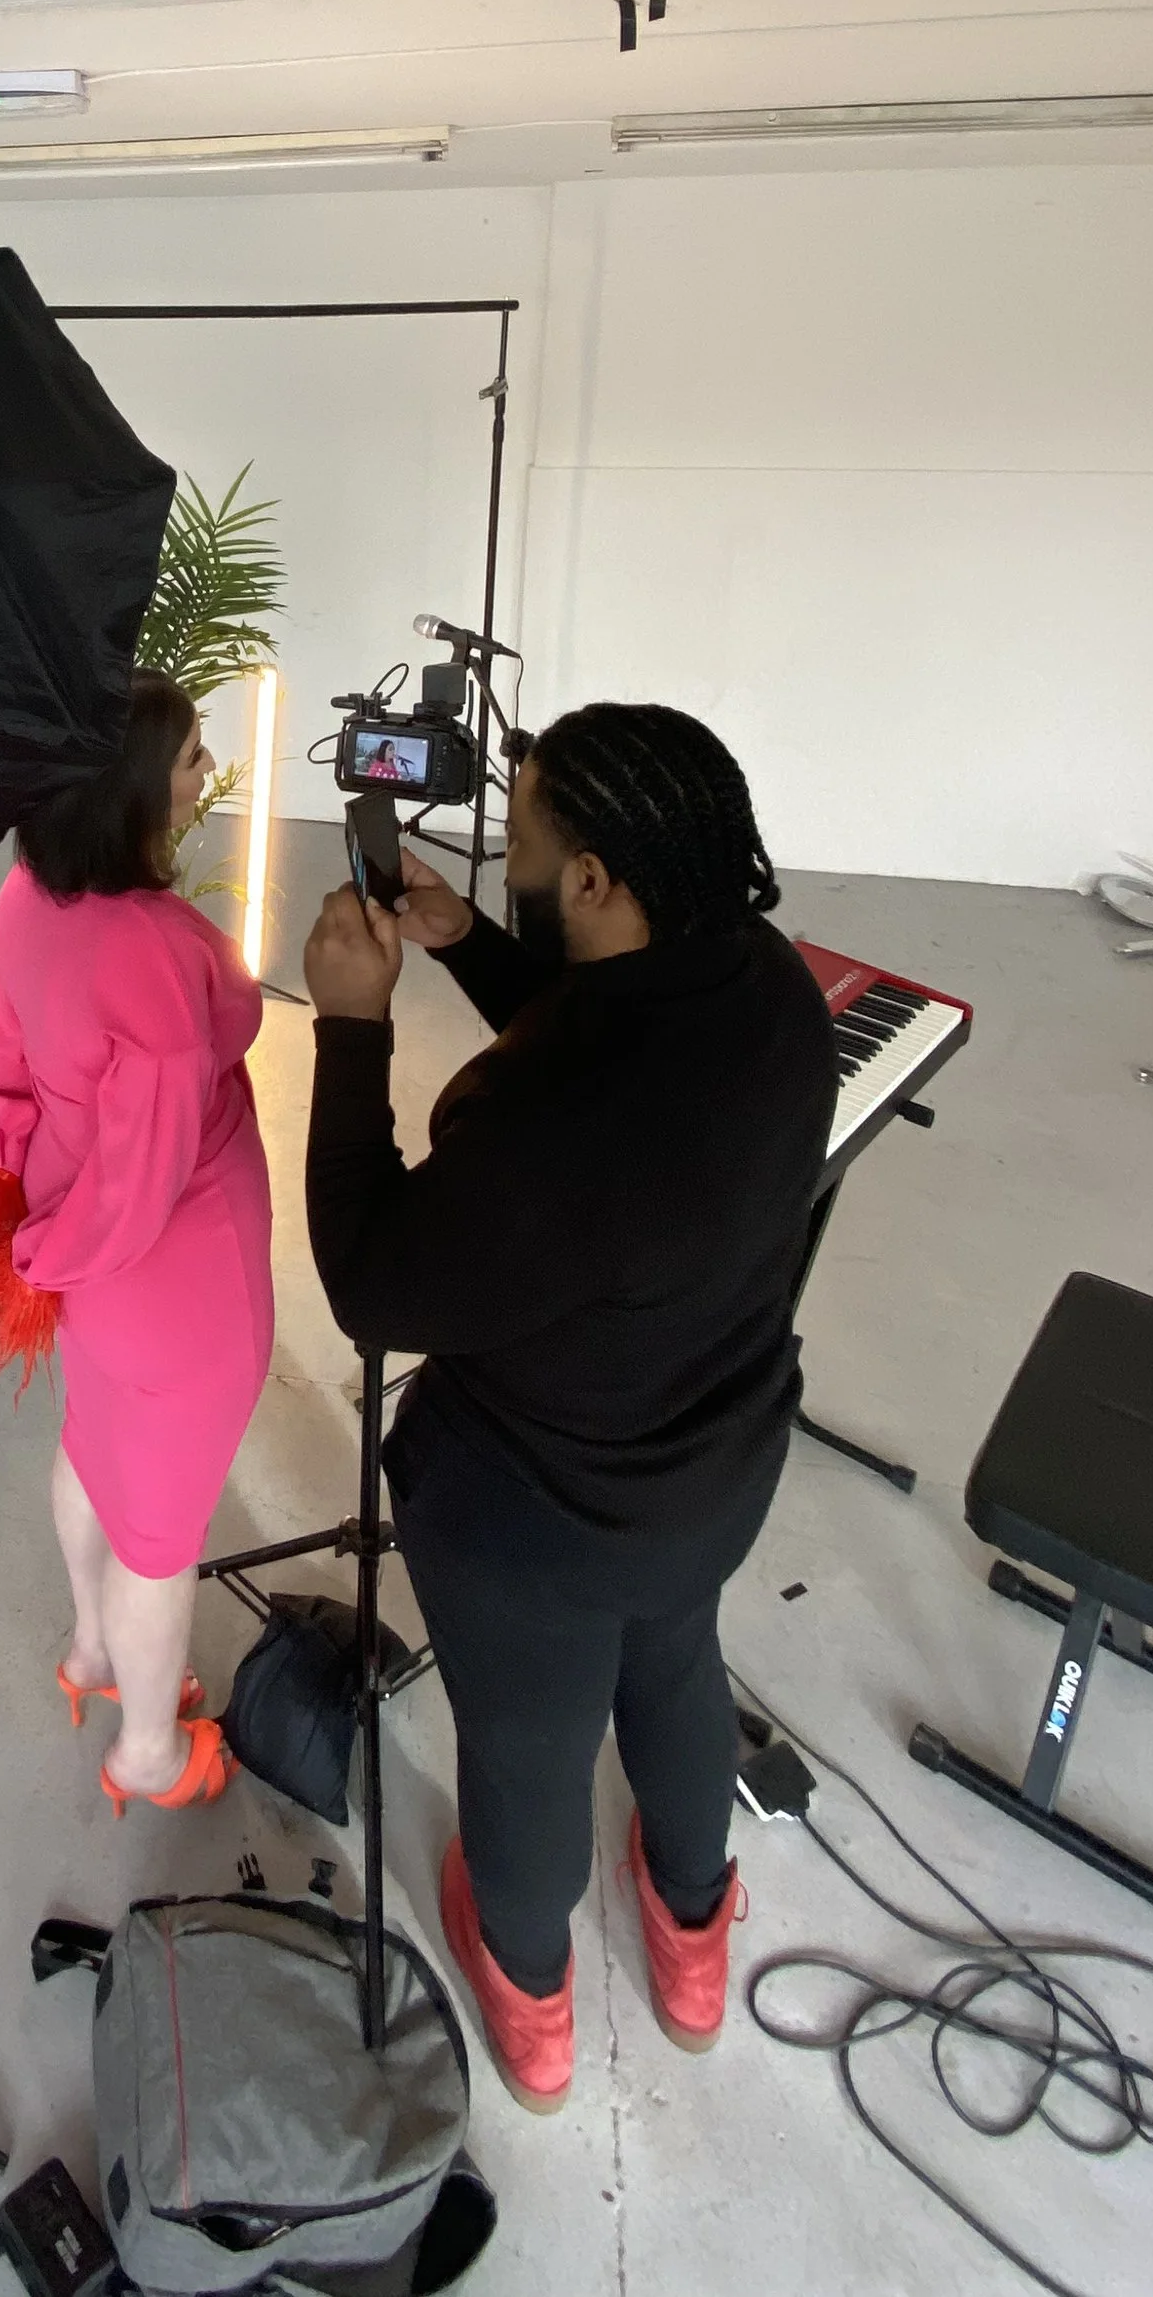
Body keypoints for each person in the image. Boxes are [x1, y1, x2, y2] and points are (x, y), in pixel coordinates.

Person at [300, 703, 836, 2112]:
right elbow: (604, 1024)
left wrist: (353, 1030)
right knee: (674, 1670)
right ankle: (693, 1947)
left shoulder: (550, 1134)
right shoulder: (771, 988)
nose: (508, 854)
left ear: (594, 882)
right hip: (711, 1471)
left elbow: (373, 1280)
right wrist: (469, 940)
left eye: (524, 840)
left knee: (532, 1751)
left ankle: (533, 2011)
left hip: (538, 1521)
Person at [0, 671, 274, 1815]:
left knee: (93, 1445)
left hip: (80, 1261)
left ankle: (91, 1650)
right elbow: (139, 1191)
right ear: (136, 785)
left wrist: (19, 1234)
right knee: (161, 1534)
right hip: (170, 1283)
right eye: (191, 758)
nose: (205, 775)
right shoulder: (149, 949)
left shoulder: (30, 895)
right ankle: (147, 1751)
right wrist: (34, 1261)